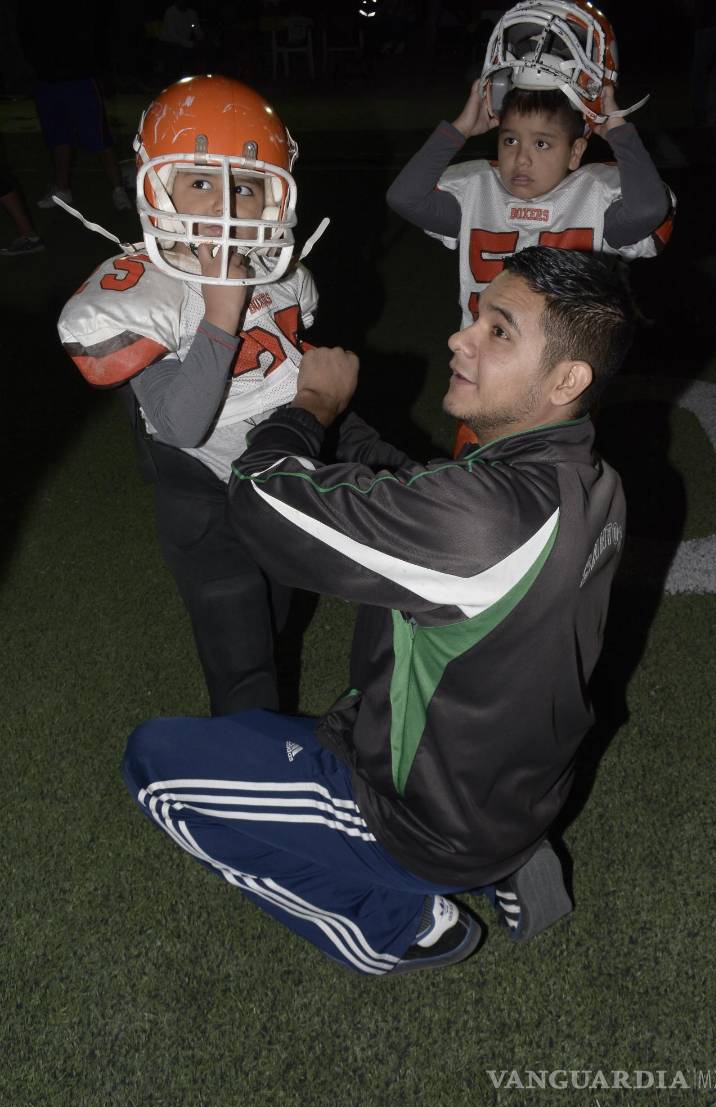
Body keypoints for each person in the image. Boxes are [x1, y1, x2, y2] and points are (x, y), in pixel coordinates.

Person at [122, 245, 635, 975]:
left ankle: (398, 923)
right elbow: (413, 489)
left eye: (499, 330)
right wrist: (320, 408)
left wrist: (307, 409)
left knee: (157, 765)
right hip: (517, 786)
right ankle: (511, 857)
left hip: (418, 820)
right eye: (476, 316)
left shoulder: (479, 523)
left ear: (566, 377)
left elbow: (262, 503)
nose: (461, 337)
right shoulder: (589, 476)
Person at [57, 76, 319, 716]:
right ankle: (247, 781)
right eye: (201, 181)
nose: (226, 204)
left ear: (274, 198)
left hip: (272, 476)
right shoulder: (147, 291)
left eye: (247, 185)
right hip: (201, 489)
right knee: (240, 646)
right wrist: (220, 314)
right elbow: (180, 424)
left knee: (275, 611)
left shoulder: (283, 275)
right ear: (156, 186)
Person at [387, 0, 675, 329]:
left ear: (575, 151)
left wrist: (618, 130)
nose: (522, 158)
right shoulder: (479, 193)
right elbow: (403, 197)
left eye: (541, 144)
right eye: (510, 140)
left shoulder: (594, 199)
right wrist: (461, 127)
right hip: (486, 366)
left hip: (561, 369)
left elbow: (649, 209)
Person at [16, 4, 132, 213]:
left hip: (81, 77)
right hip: (48, 79)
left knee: (99, 137)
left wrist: (100, 69)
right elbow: (25, 33)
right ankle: (62, 189)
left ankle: (117, 188)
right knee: (57, 136)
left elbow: (100, 33)